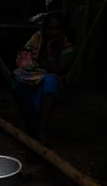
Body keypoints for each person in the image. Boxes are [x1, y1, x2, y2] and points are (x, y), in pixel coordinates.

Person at [12, 11, 75, 145]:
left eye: (57, 29)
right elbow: (24, 58)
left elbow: (56, 71)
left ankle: (42, 130)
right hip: (30, 76)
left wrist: (49, 47)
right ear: (44, 29)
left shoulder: (68, 49)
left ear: (63, 30)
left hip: (49, 82)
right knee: (17, 80)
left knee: (50, 81)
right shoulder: (37, 38)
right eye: (50, 29)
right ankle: (26, 123)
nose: (53, 32)